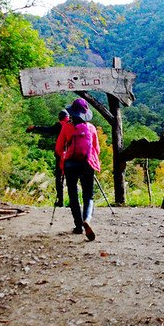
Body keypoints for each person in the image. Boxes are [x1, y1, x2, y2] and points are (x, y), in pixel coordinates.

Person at [57, 97, 101, 241]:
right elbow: (97, 150)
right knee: (88, 195)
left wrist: (65, 156)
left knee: (73, 194)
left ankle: (78, 226)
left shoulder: (66, 127)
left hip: (71, 164)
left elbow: (58, 148)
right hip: (87, 163)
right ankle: (87, 219)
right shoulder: (92, 128)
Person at [26, 109, 71, 207]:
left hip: (60, 155)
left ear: (60, 117)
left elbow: (47, 130)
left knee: (59, 178)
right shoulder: (72, 125)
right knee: (72, 178)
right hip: (72, 154)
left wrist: (34, 127)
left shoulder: (59, 126)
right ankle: (73, 202)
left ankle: (60, 201)